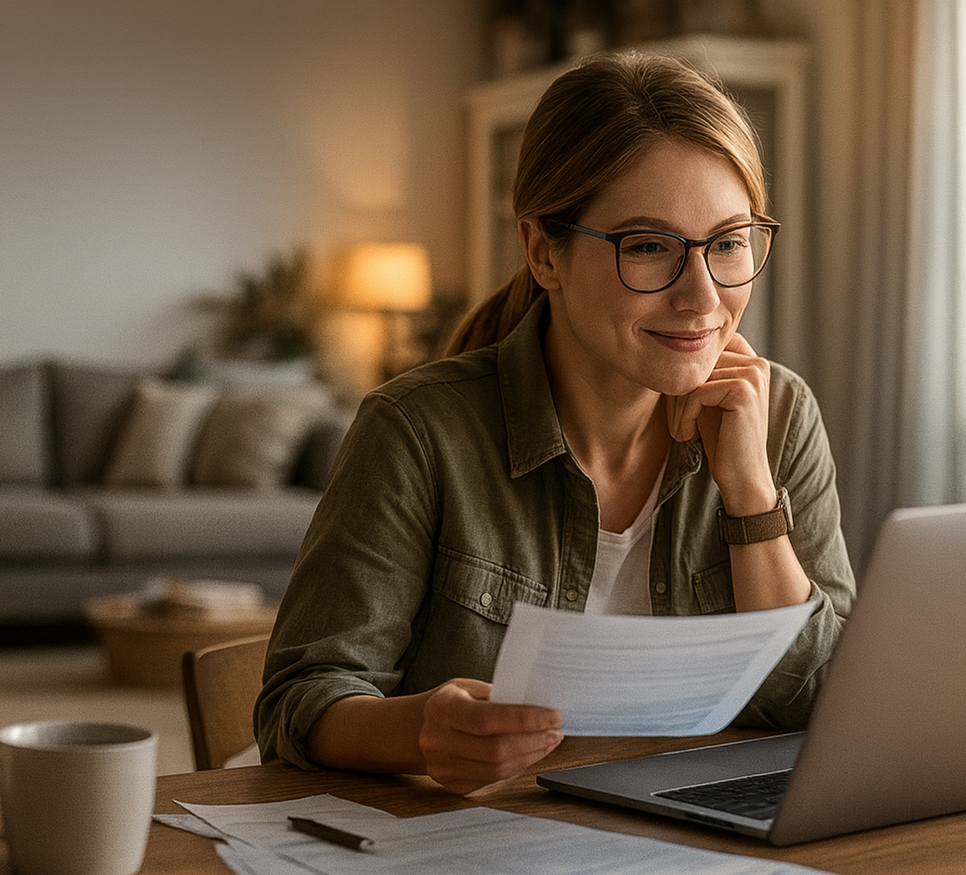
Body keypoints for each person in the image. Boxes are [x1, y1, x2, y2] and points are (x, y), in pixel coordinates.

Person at [255, 51, 855, 795]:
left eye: (728, 243)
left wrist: (751, 498)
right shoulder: (416, 431)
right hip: (477, 853)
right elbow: (298, 702)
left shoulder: (780, 415)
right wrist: (420, 731)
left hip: (696, 849)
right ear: (544, 252)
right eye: (648, 247)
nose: (702, 297)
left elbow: (832, 706)